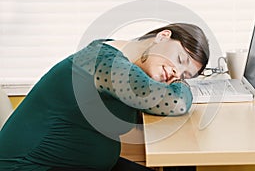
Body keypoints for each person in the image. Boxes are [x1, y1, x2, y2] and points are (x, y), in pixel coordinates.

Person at [0, 23, 210, 170]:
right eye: (180, 59)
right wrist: (181, 86)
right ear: (163, 36)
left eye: (185, 75)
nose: (176, 73)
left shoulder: (125, 62)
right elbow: (175, 102)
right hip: (31, 166)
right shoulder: (106, 63)